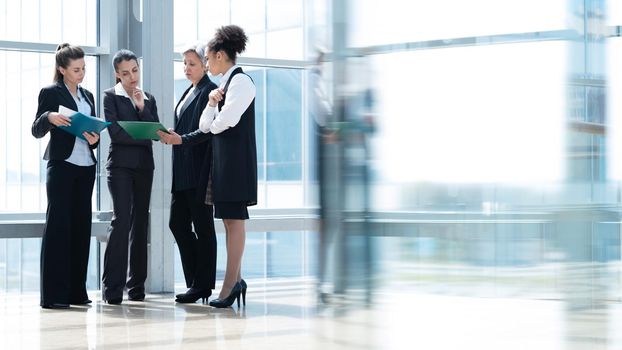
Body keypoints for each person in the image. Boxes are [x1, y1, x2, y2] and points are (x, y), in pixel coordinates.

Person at [32, 43, 101, 309]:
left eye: (83, 68)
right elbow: (36, 129)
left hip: (85, 167)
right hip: (61, 165)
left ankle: (76, 293)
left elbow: (92, 131)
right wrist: (49, 117)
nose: (81, 73)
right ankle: (53, 296)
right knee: (58, 227)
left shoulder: (88, 96)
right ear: (62, 70)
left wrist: (94, 139)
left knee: (81, 228)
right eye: (76, 69)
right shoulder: (51, 93)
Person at [198, 25, 257, 308]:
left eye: (208, 59)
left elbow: (225, 123)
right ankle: (237, 280)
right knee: (229, 222)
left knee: (234, 223)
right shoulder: (225, 85)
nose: (207, 64)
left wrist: (213, 118)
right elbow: (205, 125)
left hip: (235, 164)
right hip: (225, 163)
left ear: (221, 56)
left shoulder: (242, 83)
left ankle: (230, 285)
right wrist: (211, 105)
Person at [157, 43, 218, 303]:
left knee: (203, 227)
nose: (187, 68)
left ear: (205, 64)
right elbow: (186, 128)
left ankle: (201, 284)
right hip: (182, 171)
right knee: (177, 224)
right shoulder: (188, 92)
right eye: (184, 64)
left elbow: (208, 131)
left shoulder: (210, 91)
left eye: (192, 64)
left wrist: (180, 140)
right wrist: (172, 136)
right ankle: (196, 281)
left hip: (200, 171)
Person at [101, 49, 160, 304]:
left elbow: (156, 132)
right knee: (121, 221)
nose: (131, 76)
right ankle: (112, 290)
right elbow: (115, 134)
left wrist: (140, 108)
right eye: (125, 73)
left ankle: (136, 287)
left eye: (134, 70)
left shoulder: (148, 98)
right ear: (117, 74)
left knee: (140, 224)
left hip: (144, 166)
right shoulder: (109, 98)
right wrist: (142, 132)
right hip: (120, 168)